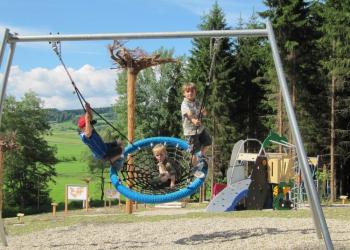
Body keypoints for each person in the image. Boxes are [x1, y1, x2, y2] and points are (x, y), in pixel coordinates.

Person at [77, 103, 124, 171]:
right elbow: (88, 134)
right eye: (89, 124)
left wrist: (88, 109)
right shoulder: (85, 136)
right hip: (104, 154)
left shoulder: (88, 128)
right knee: (121, 150)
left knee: (119, 142)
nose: (91, 126)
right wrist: (87, 120)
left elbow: (90, 116)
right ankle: (111, 161)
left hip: (104, 147)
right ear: (84, 128)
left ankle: (115, 157)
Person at [181, 82, 212, 178]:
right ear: (184, 93)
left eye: (192, 91)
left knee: (208, 142)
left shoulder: (198, 101)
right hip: (191, 131)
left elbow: (205, 113)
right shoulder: (184, 103)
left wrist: (204, 112)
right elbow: (188, 114)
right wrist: (193, 120)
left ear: (195, 92)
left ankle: (201, 155)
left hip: (200, 129)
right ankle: (194, 169)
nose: (190, 93)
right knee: (193, 151)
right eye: (188, 91)